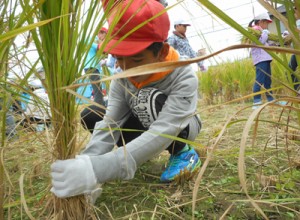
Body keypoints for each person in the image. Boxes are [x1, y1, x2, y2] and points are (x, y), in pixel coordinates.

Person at [51, 0, 202, 199]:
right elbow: (111, 123)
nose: (126, 68)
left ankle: (183, 153)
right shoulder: (121, 77)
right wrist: (87, 163)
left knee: (146, 99)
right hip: (144, 126)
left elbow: (165, 129)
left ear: (161, 52)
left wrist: (102, 168)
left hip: (178, 128)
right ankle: (140, 153)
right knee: (93, 113)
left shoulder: (182, 74)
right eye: (119, 57)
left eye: (137, 60)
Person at [80, 27, 108, 132]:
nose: (100, 37)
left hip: (92, 67)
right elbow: (101, 48)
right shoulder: (89, 40)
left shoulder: (90, 42)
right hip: (91, 67)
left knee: (97, 90)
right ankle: (99, 113)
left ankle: (99, 110)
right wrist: (103, 41)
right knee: (97, 91)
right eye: (103, 35)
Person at [248, 12, 274, 109]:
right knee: (259, 80)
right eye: (266, 23)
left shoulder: (262, 31)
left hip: (266, 59)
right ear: (261, 22)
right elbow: (260, 42)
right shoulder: (255, 31)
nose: (267, 25)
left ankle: (271, 100)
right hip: (260, 60)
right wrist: (265, 33)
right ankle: (256, 101)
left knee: (268, 81)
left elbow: (266, 44)